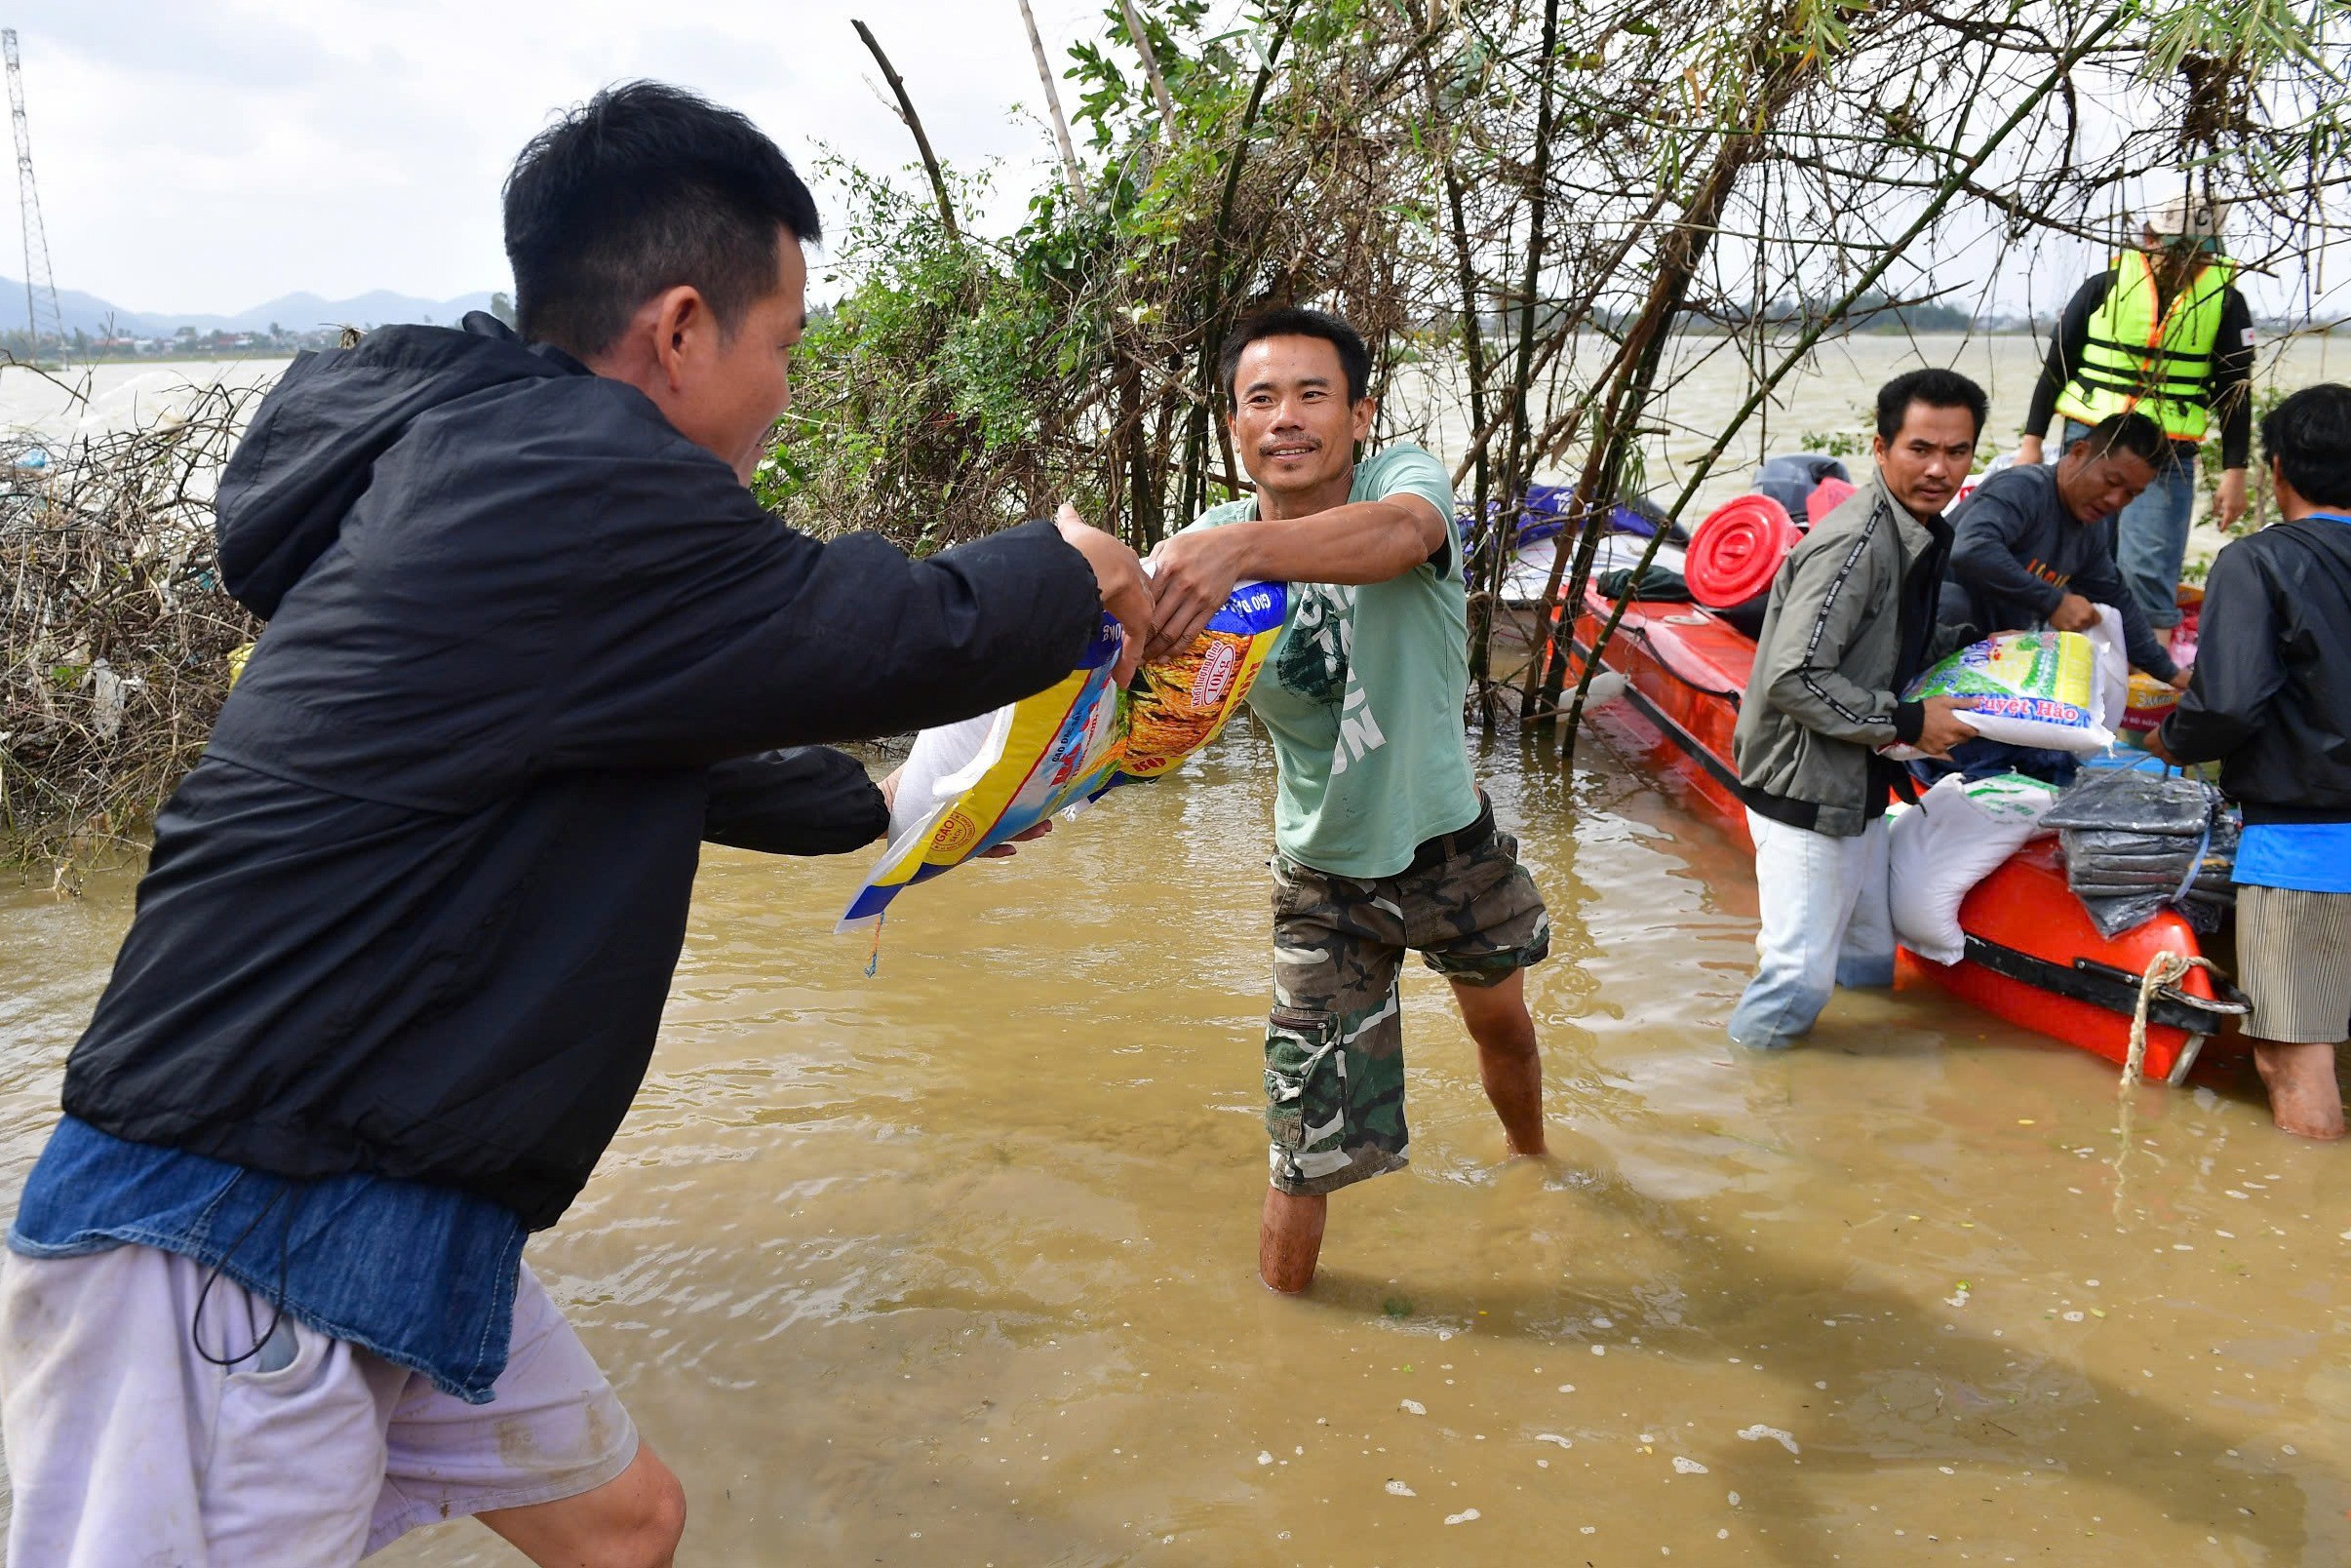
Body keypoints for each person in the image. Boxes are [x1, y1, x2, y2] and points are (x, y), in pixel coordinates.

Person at [0, 84, 1150, 1567]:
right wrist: (1070, 566)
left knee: (626, 1526)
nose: (786, 394)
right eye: (784, 348)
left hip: (372, 1199)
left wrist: (890, 812)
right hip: (236, 1216)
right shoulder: (568, 476)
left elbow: (634, 751)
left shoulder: (476, 471)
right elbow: (892, 634)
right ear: (679, 330)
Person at [1146, 307, 1550, 1295]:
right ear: (1232, 428)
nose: (1285, 418)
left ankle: (1535, 1172)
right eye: (1260, 400)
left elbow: (1404, 538)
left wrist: (1243, 557)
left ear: (1359, 414)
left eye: (1311, 395)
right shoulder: (1204, 542)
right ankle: (1283, 1346)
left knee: (1498, 1028)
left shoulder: (1398, 483)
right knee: (1301, 1136)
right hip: (1321, 876)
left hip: (1448, 845)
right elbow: (1130, 642)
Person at [1726, 369, 1986, 1050]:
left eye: (1956, 452)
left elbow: (1883, 643)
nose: (1938, 468)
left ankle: (1847, 1109)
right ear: (1880, 448)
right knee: (1794, 981)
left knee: (1869, 957)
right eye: (1919, 448)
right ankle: (1750, 1119)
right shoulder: (1855, 543)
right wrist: (1908, 723)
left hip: (1859, 779)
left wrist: (1987, 652)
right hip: (1805, 786)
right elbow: (1792, 675)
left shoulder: (1918, 528)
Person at [2152, 383, 2351, 1141]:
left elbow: (2226, 706)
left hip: (2306, 849)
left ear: (2276, 471)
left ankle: (2306, 1229)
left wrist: (2168, 741)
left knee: (2292, 1057)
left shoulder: (2259, 563)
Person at [2019, 193, 2255, 637]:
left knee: (2146, 570)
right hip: (2090, 443)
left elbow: (2234, 393)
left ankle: (2144, 691)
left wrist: (2235, 472)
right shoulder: (2103, 287)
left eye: (2200, 254)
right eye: (2178, 250)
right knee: (2069, 560)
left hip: (2166, 456)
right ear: (2149, 238)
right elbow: (2057, 367)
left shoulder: (2226, 304)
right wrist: (2031, 442)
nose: (2188, 264)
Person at [1930, 411, 2190, 784]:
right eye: (2112, 481)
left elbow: (2116, 600)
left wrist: (2172, 674)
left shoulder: (2089, 529)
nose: (2115, 500)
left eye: (2132, 494)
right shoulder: (2023, 489)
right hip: (1934, 643)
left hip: (1995, 659)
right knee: (1953, 601)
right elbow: (1970, 550)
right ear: (2079, 451)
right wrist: (2053, 601)